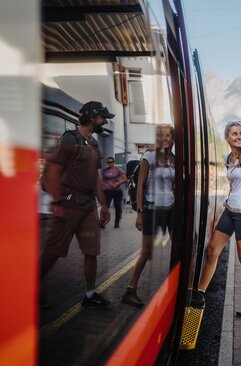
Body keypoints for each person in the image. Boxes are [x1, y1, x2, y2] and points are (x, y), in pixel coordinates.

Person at [40, 101, 114, 309]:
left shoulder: (95, 144)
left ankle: (90, 295)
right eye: (103, 117)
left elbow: (95, 177)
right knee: (53, 251)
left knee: (92, 252)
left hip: (88, 207)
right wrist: (56, 201)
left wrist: (104, 204)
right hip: (68, 205)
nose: (105, 121)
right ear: (92, 117)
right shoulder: (69, 139)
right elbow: (53, 170)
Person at [192, 120, 241, 317]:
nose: (239, 136)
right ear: (227, 138)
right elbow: (234, 185)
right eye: (234, 134)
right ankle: (199, 293)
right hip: (229, 211)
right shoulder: (228, 158)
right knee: (212, 250)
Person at [121, 124, 175, 307]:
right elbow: (141, 185)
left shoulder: (174, 159)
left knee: (178, 249)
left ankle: (177, 288)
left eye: (168, 136)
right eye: (161, 136)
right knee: (146, 252)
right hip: (152, 209)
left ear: (172, 139)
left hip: (171, 209)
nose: (165, 139)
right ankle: (130, 290)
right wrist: (139, 213)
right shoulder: (149, 157)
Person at [101, 157, 127, 228]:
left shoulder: (118, 170)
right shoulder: (104, 171)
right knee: (105, 207)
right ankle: (103, 221)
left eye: (111, 162)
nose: (110, 163)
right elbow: (102, 181)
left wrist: (117, 183)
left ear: (113, 162)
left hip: (117, 191)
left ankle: (117, 222)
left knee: (117, 207)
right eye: (108, 162)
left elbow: (125, 179)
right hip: (107, 191)